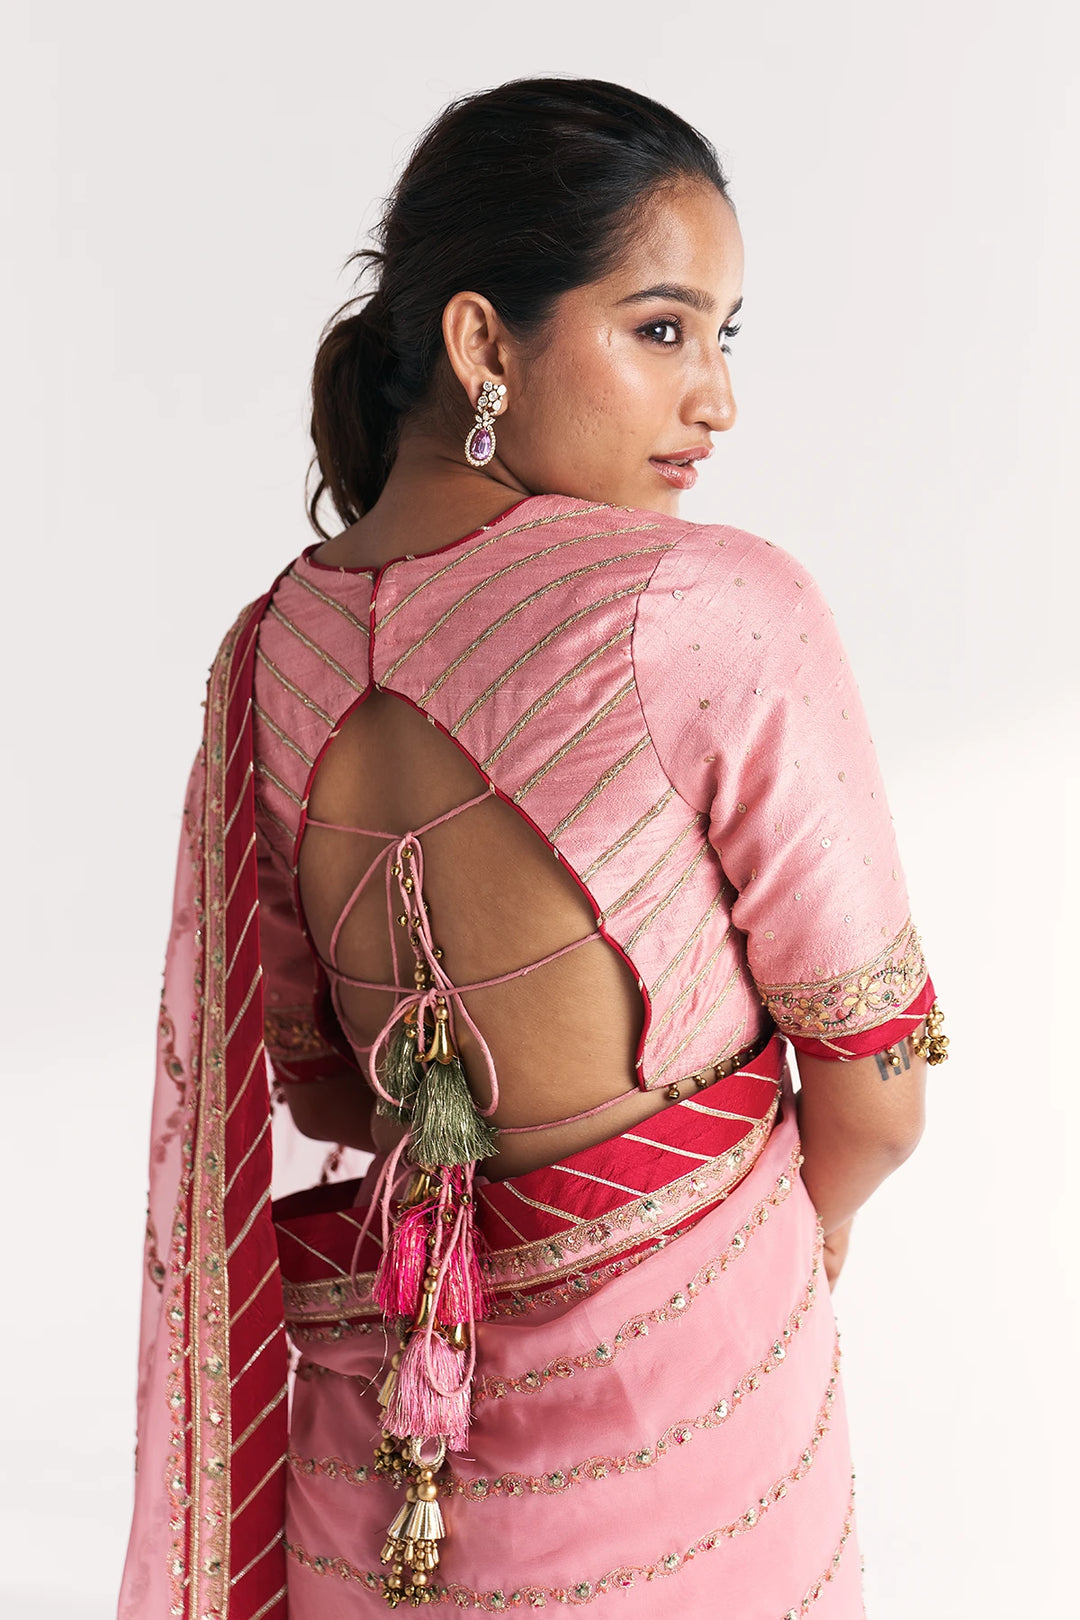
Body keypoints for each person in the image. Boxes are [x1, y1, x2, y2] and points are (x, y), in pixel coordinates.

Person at [119, 76, 947, 1620]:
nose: (716, 397)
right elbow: (878, 1090)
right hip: (687, 1438)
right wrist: (798, 1236)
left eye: (723, 335)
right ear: (484, 343)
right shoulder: (707, 610)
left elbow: (306, 1079)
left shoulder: (266, 660)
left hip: (371, 1476)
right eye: (661, 328)